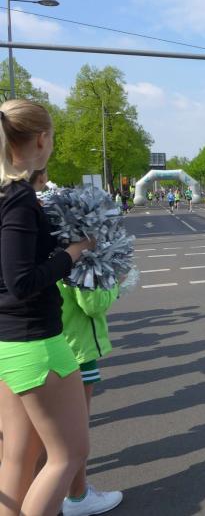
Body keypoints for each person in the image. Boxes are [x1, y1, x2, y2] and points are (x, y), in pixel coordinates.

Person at [0, 99, 95, 516]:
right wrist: (73, 252)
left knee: (18, 456)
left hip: (9, 341)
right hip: (36, 341)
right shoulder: (18, 197)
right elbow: (21, 281)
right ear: (41, 139)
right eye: (52, 138)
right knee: (68, 455)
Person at [57, 280, 124, 516]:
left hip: (17, 344)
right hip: (73, 345)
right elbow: (92, 303)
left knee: (31, 439)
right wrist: (116, 284)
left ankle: (33, 493)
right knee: (74, 434)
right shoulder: (73, 255)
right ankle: (77, 496)